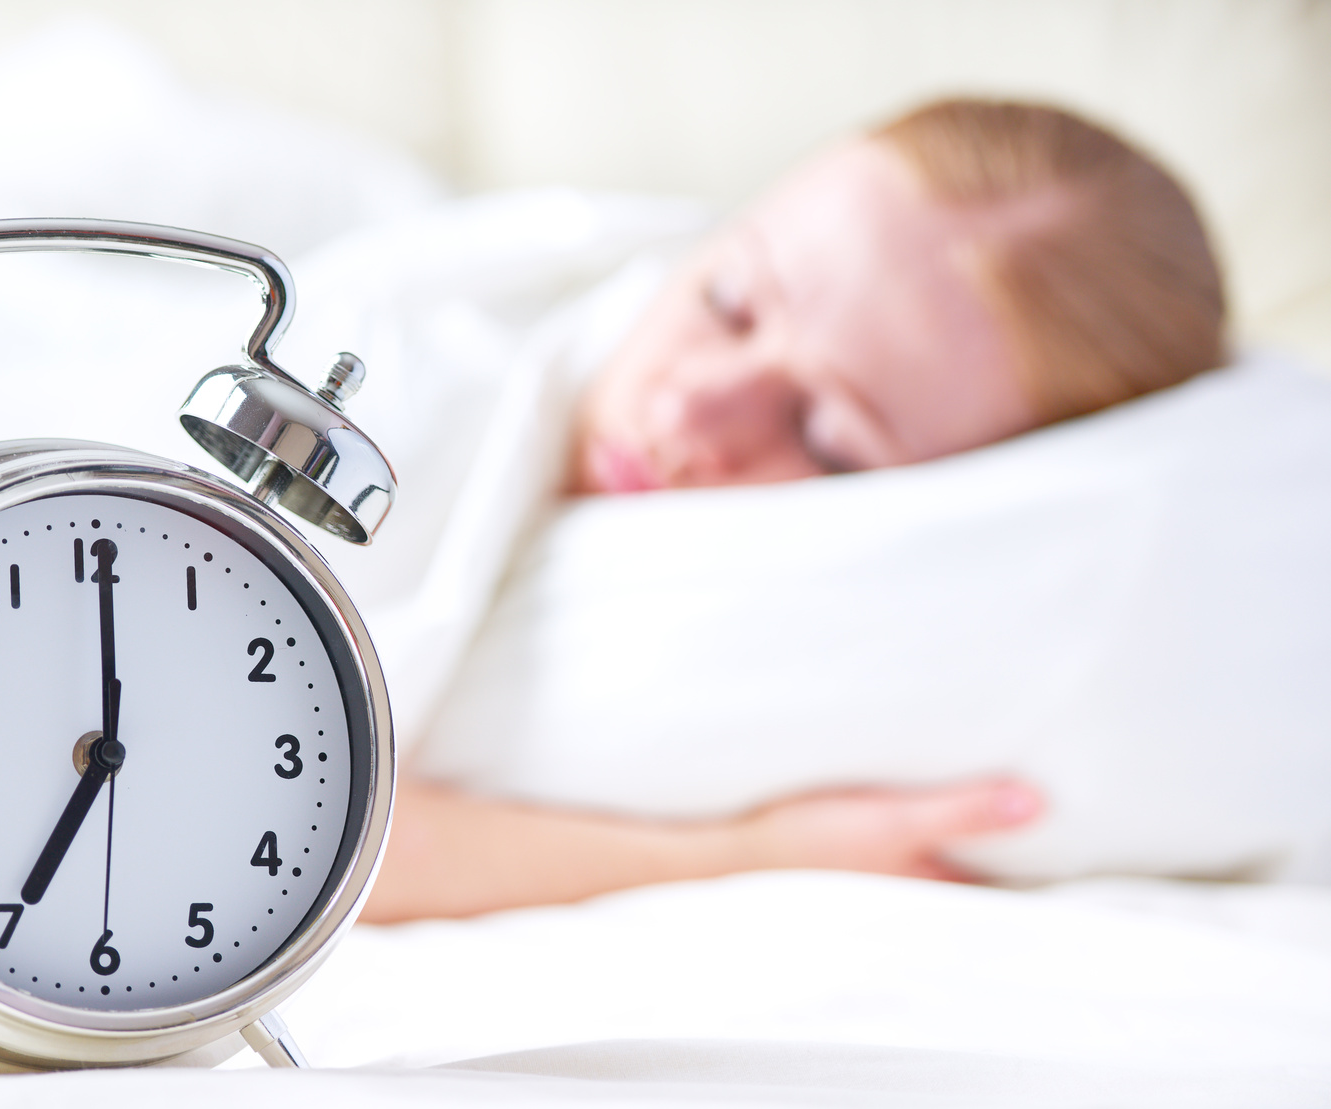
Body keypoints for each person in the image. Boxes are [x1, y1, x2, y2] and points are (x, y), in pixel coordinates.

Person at [361, 98, 1227, 924]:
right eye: (729, 302)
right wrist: (745, 849)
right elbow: (300, 839)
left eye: (827, 437)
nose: (686, 413)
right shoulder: (416, 372)